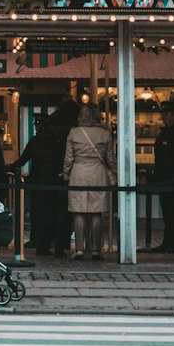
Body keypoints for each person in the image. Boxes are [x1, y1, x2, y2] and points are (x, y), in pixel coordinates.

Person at [14, 98, 77, 258]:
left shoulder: (47, 128)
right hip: (62, 176)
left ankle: (42, 244)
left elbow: (30, 154)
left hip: (42, 176)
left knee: (44, 212)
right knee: (62, 212)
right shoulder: (71, 128)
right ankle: (59, 246)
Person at [63, 102, 116, 260]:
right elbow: (110, 159)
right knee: (96, 213)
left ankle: (79, 249)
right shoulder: (104, 134)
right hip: (98, 174)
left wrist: (66, 174)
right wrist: (116, 172)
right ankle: (95, 250)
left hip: (78, 172)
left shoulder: (74, 133)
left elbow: (69, 157)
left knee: (78, 212)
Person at [148, 101, 174, 254]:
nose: (163, 117)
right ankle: (169, 241)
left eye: (167, 114)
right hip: (165, 179)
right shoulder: (164, 134)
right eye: (163, 114)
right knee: (168, 211)